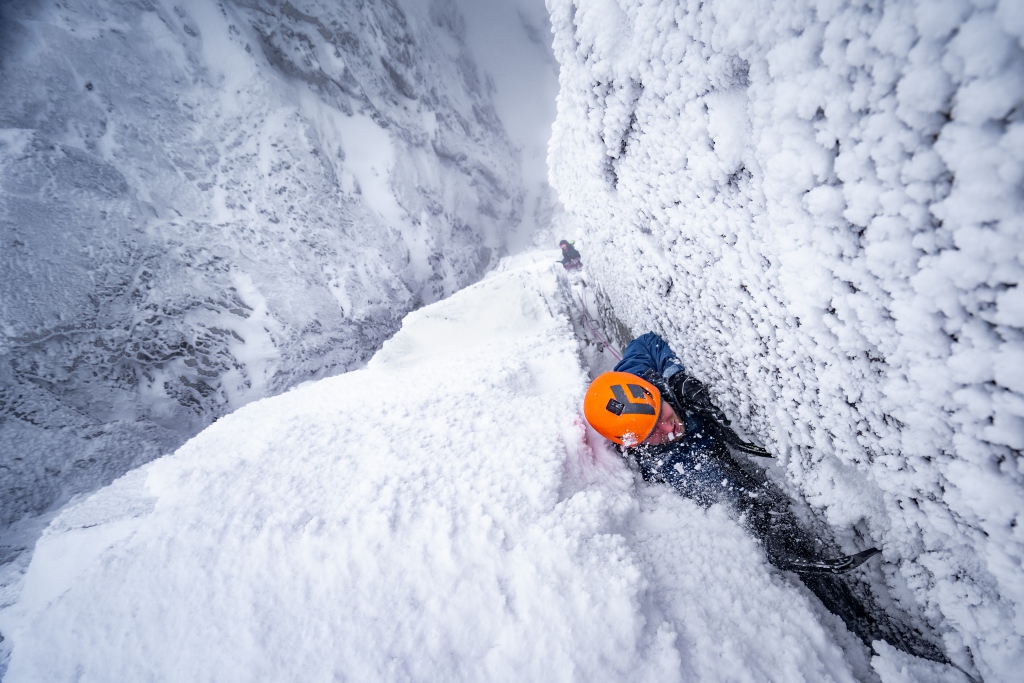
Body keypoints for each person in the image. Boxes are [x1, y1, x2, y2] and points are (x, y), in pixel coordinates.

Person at [582, 333, 950, 664]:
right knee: (743, 496)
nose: (669, 427)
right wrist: (765, 527)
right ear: (635, 443)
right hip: (699, 456)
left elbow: (648, 343)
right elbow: (730, 496)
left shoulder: (631, 381)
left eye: (662, 414)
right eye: (655, 434)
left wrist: (677, 378)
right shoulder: (676, 462)